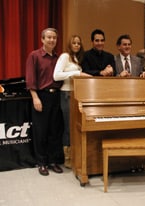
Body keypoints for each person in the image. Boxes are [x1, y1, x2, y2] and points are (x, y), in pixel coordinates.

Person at [26, 28, 64, 176]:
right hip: (41, 97)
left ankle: (53, 161)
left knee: (55, 131)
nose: (52, 40)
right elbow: (30, 78)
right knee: (40, 132)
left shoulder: (59, 58)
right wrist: (35, 97)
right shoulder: (34, 56)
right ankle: (42, 163)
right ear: (42, 39)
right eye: (49, 37)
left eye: (54, 37)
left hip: (56, 97)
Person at [53, 35, 91, 169]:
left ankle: (75, 155)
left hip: (76, 94)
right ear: (69, 44)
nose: (76, 45)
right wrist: (76, 73)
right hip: (66, 94)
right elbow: (56, 75)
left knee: (75, 126)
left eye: (78, 43)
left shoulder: (76, 59)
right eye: (74, 43)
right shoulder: (64, 56)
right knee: (68, 126)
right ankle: (67, 157)